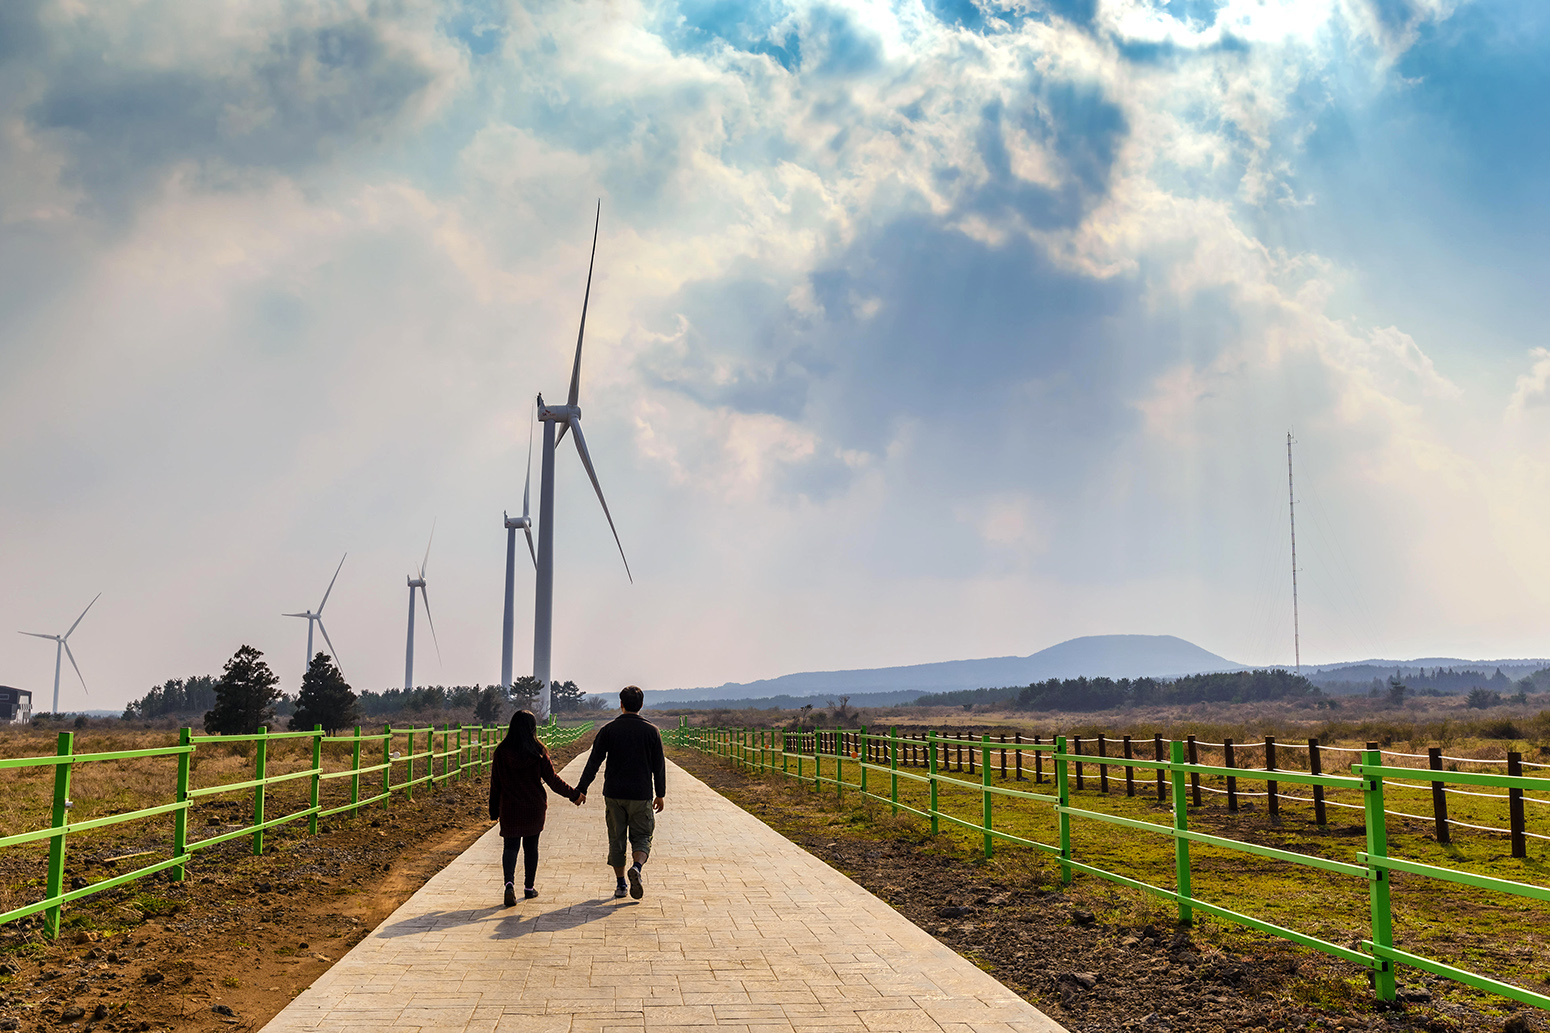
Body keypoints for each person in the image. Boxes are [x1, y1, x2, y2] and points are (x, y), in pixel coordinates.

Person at [574, 685, 665, 900]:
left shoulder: (608, 730)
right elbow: (658, 766)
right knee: (642, 836)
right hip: (641, 794)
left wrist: (582, 788)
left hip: (614, 794)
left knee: (617, 839)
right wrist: (660, 793)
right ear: (641, 705)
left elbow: (594, 761)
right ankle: (637, 868)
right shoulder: (652, 731)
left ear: (621, 704)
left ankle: (621, 884)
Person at [488, 709, 582, 906]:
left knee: (510, 847)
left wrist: (494, 810)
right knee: (531, 848)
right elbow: (553, 781)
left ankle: (508, 885)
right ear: (533, 728)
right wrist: (574, 794)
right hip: (533, 808)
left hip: (510, 807)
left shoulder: (501, 752)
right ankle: (529, 889)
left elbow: (495, 783)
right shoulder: (538, 753)